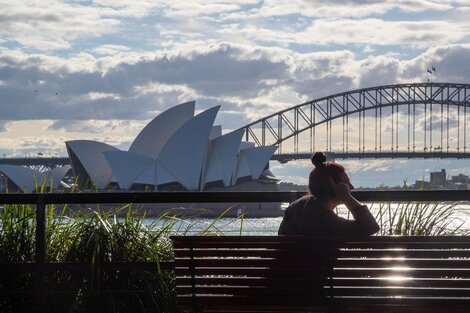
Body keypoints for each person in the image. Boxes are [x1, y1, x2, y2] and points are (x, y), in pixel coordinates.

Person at [278, 152, 379, 236]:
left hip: (290, 260)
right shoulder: (323, 219)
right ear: (332, 184)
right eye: (346, 183)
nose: (351, 187)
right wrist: (347, 197)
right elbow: (371, 227)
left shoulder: (296, 207)